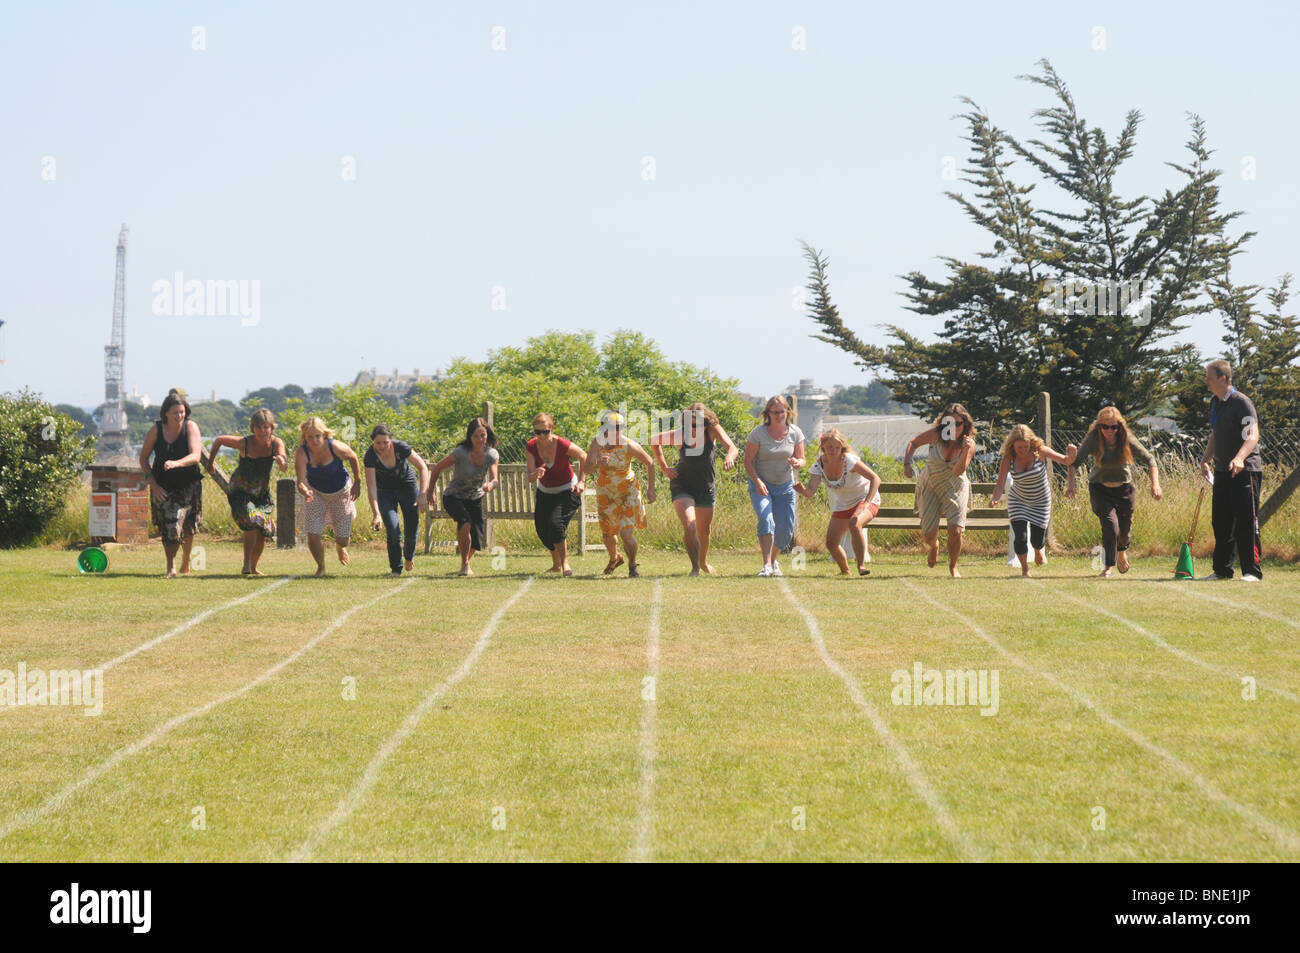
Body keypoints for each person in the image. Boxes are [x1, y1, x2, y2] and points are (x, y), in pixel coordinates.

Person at [1066, 405, 1163, 578]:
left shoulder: (1126, 438)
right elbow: (1074, 463)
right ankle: (1108, 567)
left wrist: (1155, 484)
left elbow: (1150, 459)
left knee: (1124, 532)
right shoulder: (1094, 438)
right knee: (1110, 526)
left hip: (1124, 489)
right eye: (1105, 427)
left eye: (1114, 427)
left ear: (1119, 426)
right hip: (1100, 489)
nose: (1109, 430)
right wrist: (1071, 486)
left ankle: (1121, 552)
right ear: (1099, 426)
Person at [650, 402, 739, 576]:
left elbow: (732, 447)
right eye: (692, 424)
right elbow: (654, 440)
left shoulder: (713, 430)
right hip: (682, 484)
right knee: (690, 526)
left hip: (705, 486)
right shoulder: (680, 435)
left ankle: (703, 562)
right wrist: (664, 467)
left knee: (704, 531)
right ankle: (695, 568)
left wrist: (730, 456)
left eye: (700, 424)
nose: (696, 428)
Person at [1200, 360, 1263, 581]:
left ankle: (1251, 571)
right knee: (1221, 520)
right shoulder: (1215, 403)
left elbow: (1252, 436)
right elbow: (1215, 434)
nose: (1206, 381)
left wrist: (1239, 458)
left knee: (1246, 521)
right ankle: (1222, 570)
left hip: (1245, 471)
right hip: (1222, 472)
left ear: (1223, 379)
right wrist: (1206, 459)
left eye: (1209, 377)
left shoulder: (1241, 402)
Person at [207, 408, 287, 576]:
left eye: (266, 427)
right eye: (259, 427)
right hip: (240, 490)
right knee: (252, 521)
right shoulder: (245, 443)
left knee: (262, 531)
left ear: (272, 428)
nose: (263, 431)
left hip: (261, 493)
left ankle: (253, 566)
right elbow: (219, 440)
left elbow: (284, 462)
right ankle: (246, 565)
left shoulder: (276, 443)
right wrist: (210, 463)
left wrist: (281, 462)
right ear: (253, 428)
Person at [990, 424, 1076, 578]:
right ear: (1012, 446)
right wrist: (995, 498)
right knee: (1020, 537)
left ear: (1031, 442)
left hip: (1041, 501)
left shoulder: (1039, 451)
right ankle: (1025, 569)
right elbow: (1000, 483)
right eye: (1019, 447)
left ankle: (1038, 550)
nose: (1023, 450)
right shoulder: (1008, 458)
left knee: (1037, 539)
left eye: (1025, 446)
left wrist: (1072, 454)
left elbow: (1065, 461)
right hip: (1018, 500)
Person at [794, 428, 881, 576]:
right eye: (829, 447)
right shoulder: (819, 465)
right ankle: (845, 571)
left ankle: (861, 566)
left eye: (837, 447)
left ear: (842, 447)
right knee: (831, 543)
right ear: (823, 448)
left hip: (865, 498)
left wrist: (866, 502)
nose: (833, 450)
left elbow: (875, 479)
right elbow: (810, 492)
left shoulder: (849, 460)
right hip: (844, 503)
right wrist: (801, 489)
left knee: (855, 523)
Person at [904, 403, 977, 578]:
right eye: (948, 423)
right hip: (930, 484)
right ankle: (934, 546)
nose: (953, 428)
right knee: (928, 534)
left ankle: (953, 566)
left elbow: (958, 471)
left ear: (964, 424)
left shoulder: (969, 444)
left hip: (955, 486)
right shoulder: (936, 435)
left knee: (956, 530)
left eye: (957, 424)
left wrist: (966, 451)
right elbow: (913, 443)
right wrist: (907, 464)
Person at [138, 389, 204, 578]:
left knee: (188, 526)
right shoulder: (156, 430)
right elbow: (143, 459)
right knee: (170, 525)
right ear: (166, 413)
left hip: (188, 484)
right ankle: (171, 566)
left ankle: (186, 561)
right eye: (175, 413)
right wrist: (153, 485)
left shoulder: (191, 427)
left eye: (182, 412)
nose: (179, 416)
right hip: (163, 486)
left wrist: (177, 463)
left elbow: (196, 455)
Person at [581, 411, 656, 578]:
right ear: (604, 428)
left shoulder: (628, 445)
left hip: (628, 493)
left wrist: (651, 489)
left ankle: (632, 565)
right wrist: (596, 464)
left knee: (626, 535)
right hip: (606, 494)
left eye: (621, 427)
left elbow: (650, 462)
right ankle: (615, 558)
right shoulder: (597, 443)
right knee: (608, 534)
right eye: (614, 427)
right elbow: (586, 469)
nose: (618, 431)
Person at [428, 418, 498, 576]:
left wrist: (491, 485)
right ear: (470, 437)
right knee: (465, 522)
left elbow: (495, 478)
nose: (480, 440)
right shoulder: (460, 452)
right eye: (476, 436)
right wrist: (430, 491)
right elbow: (437, 469)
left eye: (483, 435)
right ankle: (465, 565)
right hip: (454, 496)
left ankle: (465, 561)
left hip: (475, 497)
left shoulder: (491, 454)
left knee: (477, 538)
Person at [744, 396, 806, 577]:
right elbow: (748, 462)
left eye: (782, 411)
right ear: (767, 414)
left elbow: (802, 460)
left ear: (788, 412)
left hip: (785, 486)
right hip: (761, 485)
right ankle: (766, 565)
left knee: (786, 530)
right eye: (775, 412)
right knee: (766, 519)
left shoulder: (795, 433)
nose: (779, 415)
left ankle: (773, 560)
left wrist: (797, 462)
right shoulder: (758, 434)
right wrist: (757, 482)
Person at [295, 417, 361, 577]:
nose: (314, 440)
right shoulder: (302, 452)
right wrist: (305, 491)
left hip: (341, 492)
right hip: (316, 493)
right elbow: (300, 482)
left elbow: (353, 457)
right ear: (305, 438)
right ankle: (321, 567)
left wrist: (358, 482)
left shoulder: (335, 446)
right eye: (310, 437)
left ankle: (340, 547)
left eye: (317, 436)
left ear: (324, 435)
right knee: (313, 533)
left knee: (343, 539)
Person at [364, 424, 430, 577]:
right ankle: (395, 569)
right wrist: (376, 514)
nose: (382, 446)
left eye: (385, 442)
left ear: (391, 440)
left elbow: (422, 468)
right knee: (393, 531)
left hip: (408, 486)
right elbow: (372, 488)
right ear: (373, 442)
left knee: (411, 528)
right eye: (378, 443)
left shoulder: (401, 448)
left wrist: (422, 495)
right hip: (385, 492)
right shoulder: (370, 456)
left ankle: (408, 556)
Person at [527, 413, 587, 575]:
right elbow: (530, 477)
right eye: (537, 432)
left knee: (555, 524)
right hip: (545, 492)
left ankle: (565, 563)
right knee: (542, 530)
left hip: (568, 490)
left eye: (545, 432)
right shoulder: (531, 446)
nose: (541, 436)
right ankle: (556, 565)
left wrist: (581, 481)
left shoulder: (562, 444)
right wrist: (536, 473)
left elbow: (583, 456)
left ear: (551, 429)